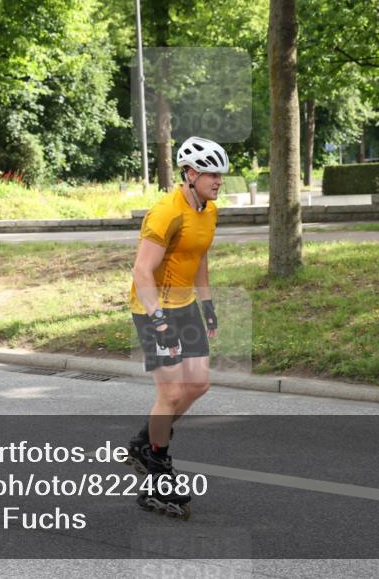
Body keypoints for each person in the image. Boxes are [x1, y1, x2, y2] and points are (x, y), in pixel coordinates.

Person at [125, 136, 227, 517]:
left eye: (221, 175)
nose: (218, 181)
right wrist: (158, 320)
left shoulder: (209, 211)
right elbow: (141, 270)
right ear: (191, 174)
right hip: (153, 307)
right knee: (169, 394)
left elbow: (198, 257)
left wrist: (207, 303)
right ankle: (157, 471)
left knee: (198, 384)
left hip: (185, 305)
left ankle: (144, 442)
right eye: (212, 174)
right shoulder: (166, 212)